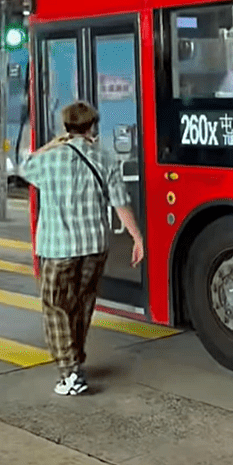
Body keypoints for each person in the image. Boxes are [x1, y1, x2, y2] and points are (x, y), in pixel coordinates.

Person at [21, 100, 144, 396]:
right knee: (82, 304)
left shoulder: (47, 160)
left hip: (58, 247)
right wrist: (137, 238)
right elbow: (120, 203)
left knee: (55, 307)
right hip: (94, 246)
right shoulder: (105, 158)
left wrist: (55, 143)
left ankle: (70, 373)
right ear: (93, 127)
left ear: (66, 127)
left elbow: (24, 164)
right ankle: (76, 359)